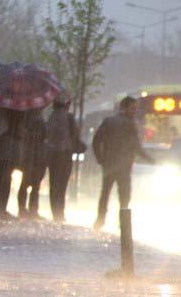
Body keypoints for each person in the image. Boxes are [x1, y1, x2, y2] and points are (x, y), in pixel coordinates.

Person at [92, 96, 154, 230]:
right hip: (124, 166)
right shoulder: (130, 124)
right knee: (124, 194)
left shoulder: (108, 121)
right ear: (125, 108)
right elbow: (136, 146)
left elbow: (96, 140)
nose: (135, 111)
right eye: (133, 108)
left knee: (105, 193)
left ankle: (100, 220)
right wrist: (151, 160)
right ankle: (123, 222)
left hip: (108, 164)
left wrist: (100, 159)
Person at [45, 94, 81, 223]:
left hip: (52, 154)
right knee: (62, 184)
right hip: (65, 153)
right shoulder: (69, 117)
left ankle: (56, 212)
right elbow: (76, 135)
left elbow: (47, 134)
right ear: (67, 104)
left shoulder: (51, 117)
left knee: (54, 183)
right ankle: (60, 213)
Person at [17, 110, 47, 219]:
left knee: (26, 183)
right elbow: (44, 136)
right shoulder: (38, 119)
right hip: (36, 155)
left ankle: (23, 209)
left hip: (30, 154)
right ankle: (31, 210)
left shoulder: (25, 119)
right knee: (33, 185)